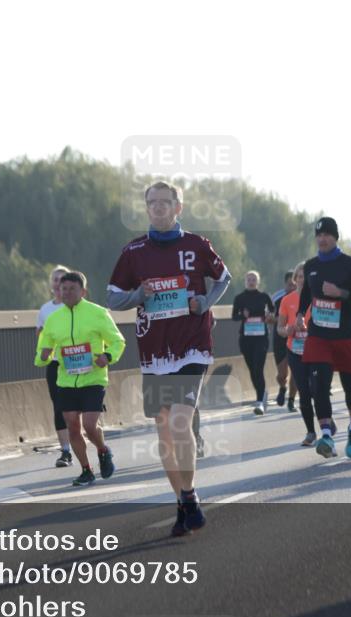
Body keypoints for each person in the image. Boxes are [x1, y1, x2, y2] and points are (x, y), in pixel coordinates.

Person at [107, 181, 231, 536]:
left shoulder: (196, 244)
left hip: (192, 345)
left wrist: (205, 303)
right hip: (154, 352)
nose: (158, 207)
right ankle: (182, 502)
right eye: (152, 202)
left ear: (179, 207)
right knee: (164, 432)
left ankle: (189, 494)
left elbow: (223, 278)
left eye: (166, 202)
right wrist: (139, 294)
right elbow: (113, 299)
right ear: (146, 208)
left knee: (180, 423)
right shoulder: (134, 252)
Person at [36, 271, 125, 486]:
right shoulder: (54, 318)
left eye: (71, 289)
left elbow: (118, 341)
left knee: (90, 425)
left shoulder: (98, 313)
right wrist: (44, 355)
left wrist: (108, 356)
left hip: (93, 378)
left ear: (83, 291)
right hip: (66, 380)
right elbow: (43, 348)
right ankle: (86, 470)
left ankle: (103, 451)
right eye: (63, 289)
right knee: (72, 426)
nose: (66, 293)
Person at [296, 217, 351, 459]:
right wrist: (299, 313)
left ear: (335, 237)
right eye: (319, 235)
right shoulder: (310, 266)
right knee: (318, 385)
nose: (323, 238)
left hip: (345, 334)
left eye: (327, 234)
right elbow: (307, 293)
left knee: (350, 386)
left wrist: (341, 293)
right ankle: (327, 434)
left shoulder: (349, 264)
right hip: (318, 335)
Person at [278, 261, 328, 445]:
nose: (302, 280)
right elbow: (279, 328)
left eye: (306, 277)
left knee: (317, 389)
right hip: (295, 350)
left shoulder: (318, 298)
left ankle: (326, 420)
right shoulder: (287, 300)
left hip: (315, 349)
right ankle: (310, 432)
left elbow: (328, 322)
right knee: (304, 392)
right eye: (299, 277)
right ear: (295, 279)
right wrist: (287, 330)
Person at [37, 266, 74, 467]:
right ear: (52, 285)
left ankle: (82, 439)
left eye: (62, 279)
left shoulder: (77, 306)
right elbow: (41, 337)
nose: (59, 284)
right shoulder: (45, 310)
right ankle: (66, 451)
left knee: (76, 409)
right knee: (59, 407)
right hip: (55, 364)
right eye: (55, 280)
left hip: (77, 363)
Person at [232, 271, 275, 415]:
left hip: (261, 337)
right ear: (245, 281)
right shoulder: (239, 298)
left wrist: (269, 315)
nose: (251, 281)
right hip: (246, 338)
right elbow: (234, 317)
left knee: (258, 368)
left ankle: (259, 401)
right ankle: (262, 394)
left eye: (254, 279)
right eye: (249, 279)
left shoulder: (264, 296)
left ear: (258, 281)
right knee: (252, 370)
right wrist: (242, 315)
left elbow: (273, 311)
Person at [271, 271, 298, 411]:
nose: (292, 287)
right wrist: (279, 321)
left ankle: (291, 400)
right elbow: (268, 318)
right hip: (280, 338)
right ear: (285, 284)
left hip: (297, 338)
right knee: (282, 374)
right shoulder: (277, 298)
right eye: (290, 285)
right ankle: (282, 387)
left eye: (295, 285)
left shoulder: (302, 296)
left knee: (296, 371)